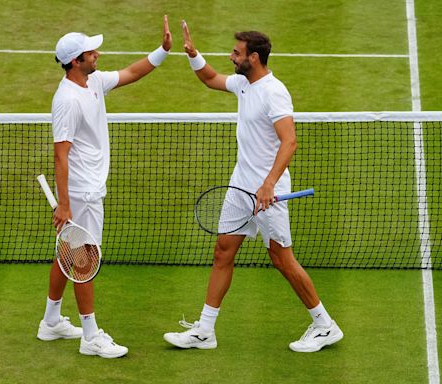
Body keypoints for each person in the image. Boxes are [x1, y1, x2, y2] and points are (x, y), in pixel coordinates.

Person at [163, 22, 343, 353]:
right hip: (240, 187)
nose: (232, 57)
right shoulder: (244, 85)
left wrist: (269, 184)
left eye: (237, 53)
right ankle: (205, 330)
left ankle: (324, 325)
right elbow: (210, 79)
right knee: (223, 251)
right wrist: (193, 54)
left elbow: (290, 142)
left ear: (254, 58)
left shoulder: (274, 92)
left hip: (267, 192)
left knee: (281, 258)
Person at [37, 16, 172, 358]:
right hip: (82, 192)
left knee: (70, 252)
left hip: (89, 189)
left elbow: (131, 73)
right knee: (84, 259)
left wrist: (163, 50)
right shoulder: (66, 100)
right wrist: (65, 204)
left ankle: (51, 322)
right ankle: (90, 336)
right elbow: (60, 156)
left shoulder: (94, 81)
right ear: (74, 61)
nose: (96, 54)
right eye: (89, 52)